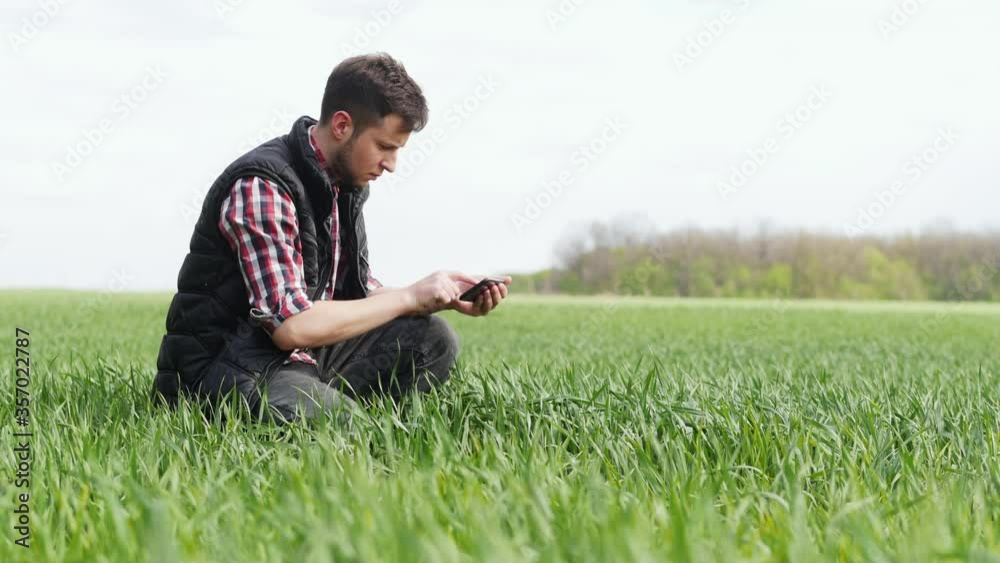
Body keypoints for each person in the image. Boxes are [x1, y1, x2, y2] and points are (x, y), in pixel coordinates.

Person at [151, 52, 511, 426]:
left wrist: (437, 295)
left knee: (433, 339)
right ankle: (322, 409)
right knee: (339, 425)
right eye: (385, 146)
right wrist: (408, 298)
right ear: (342, 125)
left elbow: (354, 294)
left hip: (293, 360)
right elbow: (292, 326)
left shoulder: (343, 187)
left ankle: (319, 402)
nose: (391, 164)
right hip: (224, 371)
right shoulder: (263, 187)